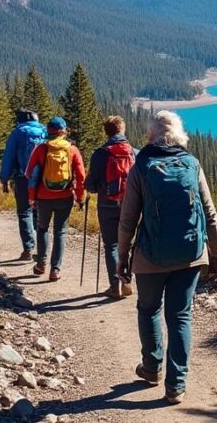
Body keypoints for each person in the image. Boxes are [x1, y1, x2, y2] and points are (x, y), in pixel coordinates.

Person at [118, 110, 217, 405]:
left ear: (151, 136)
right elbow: (210, 213)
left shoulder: (142, 167)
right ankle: (175, 385)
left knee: (149, 309)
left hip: (150, 257)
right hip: (190, 255)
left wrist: (122, 258)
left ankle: (152, 368)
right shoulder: (191, 164)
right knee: (180, 316)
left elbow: (128, 220)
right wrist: (216, 253)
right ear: (179, 136)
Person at [26, 116, 86, 281]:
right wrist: (80, 198)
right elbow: (81, 177)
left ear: (49, 130)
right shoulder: (72, 150)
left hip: (43, 197)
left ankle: (41, 264)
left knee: (43, 228)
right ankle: (55, 270)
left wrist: (32, 197)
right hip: (65, 196)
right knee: (60, 232)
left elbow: (30, 174)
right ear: (63, 131)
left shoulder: (41, 149)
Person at [84, 115, 138, 299]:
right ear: (122, 130)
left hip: (107, 204)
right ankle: (127, 282)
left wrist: (95, 187)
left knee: (111, 246)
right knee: (127, 244)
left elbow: (90, 185)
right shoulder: (134, 153)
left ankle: (115, 286)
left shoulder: (100, 153)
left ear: (106, 132)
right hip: (130, 205)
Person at [0, 109, 48, 260]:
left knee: (24, 212)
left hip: (23, 178)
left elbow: (9, 156)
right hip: (44, 179)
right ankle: (42, 251)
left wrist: (4, 178)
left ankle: (28, 249)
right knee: (39, 213)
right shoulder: (45, 131)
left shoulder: (17, 133)